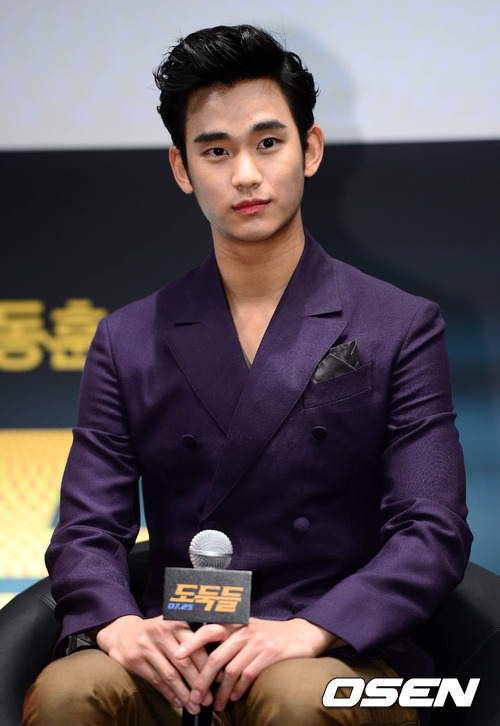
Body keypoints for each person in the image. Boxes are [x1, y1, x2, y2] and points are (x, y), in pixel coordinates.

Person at [22, 24, 472, 726]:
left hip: (332, 648)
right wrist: (118, 625)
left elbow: (431, 528)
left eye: (268, 143)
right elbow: (85, 529)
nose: (245, 176)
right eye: (216, 151)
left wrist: (314, 630)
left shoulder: (400, 324)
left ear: (309, 149)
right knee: (69, 692)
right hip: (180, 650)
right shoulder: (127, 338)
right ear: (181, 169)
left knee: (295, 698)